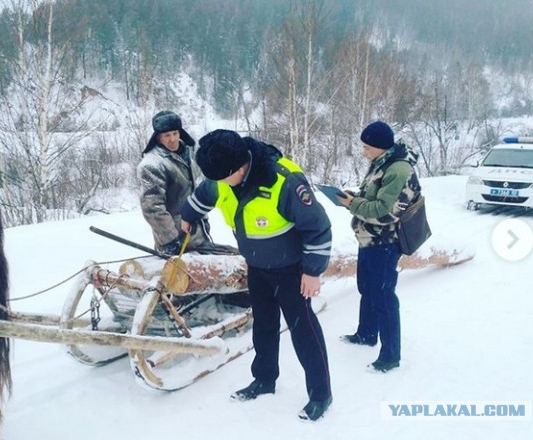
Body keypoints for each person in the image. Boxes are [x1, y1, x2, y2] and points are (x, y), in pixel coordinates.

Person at [180, 129, 333, 421]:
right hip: (257, 267)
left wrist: (313, 272)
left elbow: (318, 227)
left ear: (240, 168)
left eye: (222, 178)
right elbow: (204, 193)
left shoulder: (284, 182)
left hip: (292, 270)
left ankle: (320, 394)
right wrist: (188, 214)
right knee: (263, 326)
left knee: (304, 332)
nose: (217, 184)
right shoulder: (222, 176)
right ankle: (264, 380)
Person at [335, 121, 422, 373]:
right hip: (368, 238)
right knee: (367, 288)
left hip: (386, 241)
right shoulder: (382, 163)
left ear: (380, 147)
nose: (363, 152)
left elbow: (385, 212)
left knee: (384, 296)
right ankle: (366, 333)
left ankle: (390, 355)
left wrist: (352, 204)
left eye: (367, 147)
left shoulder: (399, 170)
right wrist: (352, 198)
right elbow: (373, 198)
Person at [137, 110, 213, 255]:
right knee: (179, 277)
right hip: (176, 241)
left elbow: (194, 190)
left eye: (175, 133)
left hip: (198, 234)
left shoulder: (188, 154)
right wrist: (170, 241)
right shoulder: (151, 165)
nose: (172, 139)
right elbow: (153, 208)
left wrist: (204, 219)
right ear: (158, 138)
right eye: (167, 135)